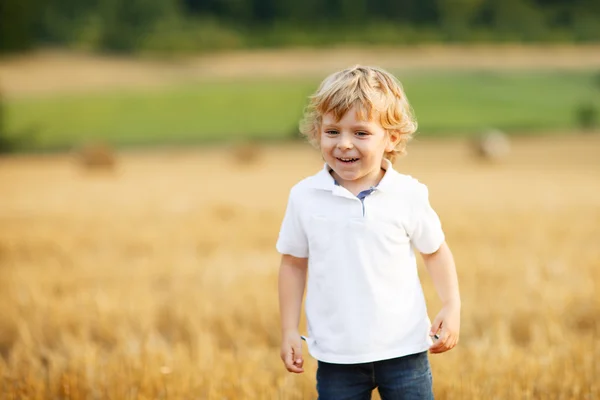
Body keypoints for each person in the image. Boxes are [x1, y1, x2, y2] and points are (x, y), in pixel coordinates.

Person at [276, 65, 461, 399]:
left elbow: (435, 252)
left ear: (391, 137)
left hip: (405, 351)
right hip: (336, 357)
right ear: (318, 132)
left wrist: (452, 305)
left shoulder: (409, 194)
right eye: (332, 132)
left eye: (360, 133)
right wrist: (289, 329)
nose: (344, 144)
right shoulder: (303, 196)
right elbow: (292, 263)